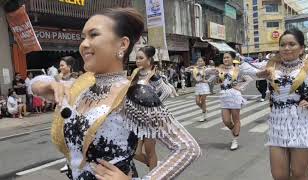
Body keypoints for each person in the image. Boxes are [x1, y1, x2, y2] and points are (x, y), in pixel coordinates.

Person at [30, 8, 200, 180]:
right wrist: (48, 85)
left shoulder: (133, 93)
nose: (84, 44)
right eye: (83, 37)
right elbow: (34, 85)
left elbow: (187, 148)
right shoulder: (81, 87)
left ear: (122, 44)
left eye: (93, 35)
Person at [241, 28, 308, 180]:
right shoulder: (271, 65)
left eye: (292, 44)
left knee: (298, 175)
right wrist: (260, 74)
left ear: (301, 48)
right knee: (279, 176)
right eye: (283, 45)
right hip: (278, 125)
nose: (286, 48)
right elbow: (243, 68)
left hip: (304, 125)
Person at [133, 45, 173, 171]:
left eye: (141, 58)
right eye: (137, 58)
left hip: (151, 121)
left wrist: (152, 108)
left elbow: (167, 91)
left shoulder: (153, 76)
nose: (137, 61)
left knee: (150, 152)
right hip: (137, 120)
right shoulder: (137, 74)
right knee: (135, 152)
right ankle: (157, 168)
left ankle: (154, 173)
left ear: (149, 60)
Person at [214, 52, 251, 150]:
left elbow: (248, 79)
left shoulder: (237, 70)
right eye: (224, 58)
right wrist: (217, 79)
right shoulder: (220, 70)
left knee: (236, 119)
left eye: (227, 57)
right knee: (226, 121)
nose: (225, 59)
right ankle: (235, 131)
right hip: (224, 96)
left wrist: (240, 87)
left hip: (234, 96)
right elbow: (216, 81)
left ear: (232, 59)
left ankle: (235, 140)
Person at [186, 57, 214, 122]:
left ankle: (203, 115)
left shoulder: (206, 69)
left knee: (202, 101)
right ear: (196, 62)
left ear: (203, 62)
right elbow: (186, 70)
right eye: (198, 61)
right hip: (197, 86)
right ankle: (205, 110)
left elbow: (215, 73)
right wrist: (192, 66)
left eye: (201, 61)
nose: (200, 62)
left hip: (204, 86)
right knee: (197, 102)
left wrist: (208, 80)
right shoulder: (194, 69)